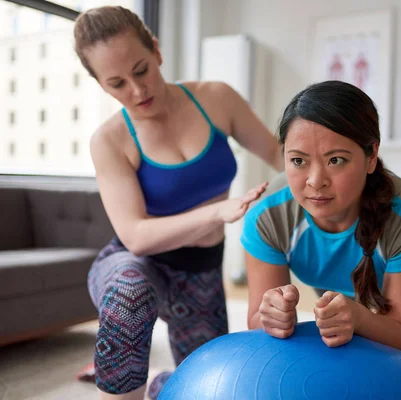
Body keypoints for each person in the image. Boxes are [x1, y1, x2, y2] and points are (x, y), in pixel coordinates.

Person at [73, 6, 283, 400]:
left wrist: (339, 171)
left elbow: (278, 152)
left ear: (156, 50)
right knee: (129, 297)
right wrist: (216, 212)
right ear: (101, 85)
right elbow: (135, 235)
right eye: (117, 83)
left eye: (141, 70)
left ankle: (160, 385)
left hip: (201, 273)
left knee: (213, 387)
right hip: (135, 264)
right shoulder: (110, 139)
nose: (136, 91)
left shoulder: (216, 99)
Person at [241, 80, 401, 364]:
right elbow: (256, 321)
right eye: (298, 161)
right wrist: (271, 316)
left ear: (371, 156)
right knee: (340, 310)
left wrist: (361, 318)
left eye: (336, 160)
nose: (315, 181)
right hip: (332, 282)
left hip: (392, 273)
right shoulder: (267, 217)